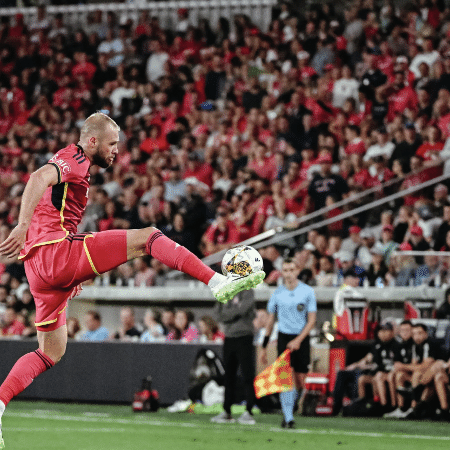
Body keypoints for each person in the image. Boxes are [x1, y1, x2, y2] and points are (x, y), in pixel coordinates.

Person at [0, 112, 265, 447]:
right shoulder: (76, 159)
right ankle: (217, 282)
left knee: (51, 350)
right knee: (149, 236)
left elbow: (50, 206)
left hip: (39, 270)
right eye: (112, 144)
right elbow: (38, 178)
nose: (116, 152)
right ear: (93, 140)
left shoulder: (76, 166)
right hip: (53, 252)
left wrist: (68, 273)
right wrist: (22, 226)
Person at [260, 258, 317, 428]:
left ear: (297, 271)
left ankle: (292, 406)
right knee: (285, 377)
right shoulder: (277, 293)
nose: (289, 273)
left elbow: (312, 320)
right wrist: (264, 344)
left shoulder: (307, 291)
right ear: (282, 273)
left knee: (300, 380)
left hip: (302, 336)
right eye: (285, 270)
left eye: (292, 270)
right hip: (284, 337)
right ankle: (288, 417)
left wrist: (299, 340)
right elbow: (270, 321)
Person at [211, 290, 257, 425]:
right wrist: (234, 313)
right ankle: (227, 411)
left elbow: (243, 309)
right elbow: (217, 314)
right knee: (228, 376)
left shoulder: (247, 291)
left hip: (244, 336)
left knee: (247, 374)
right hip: (229, 337)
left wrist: (228, 314)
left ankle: (249, 410)